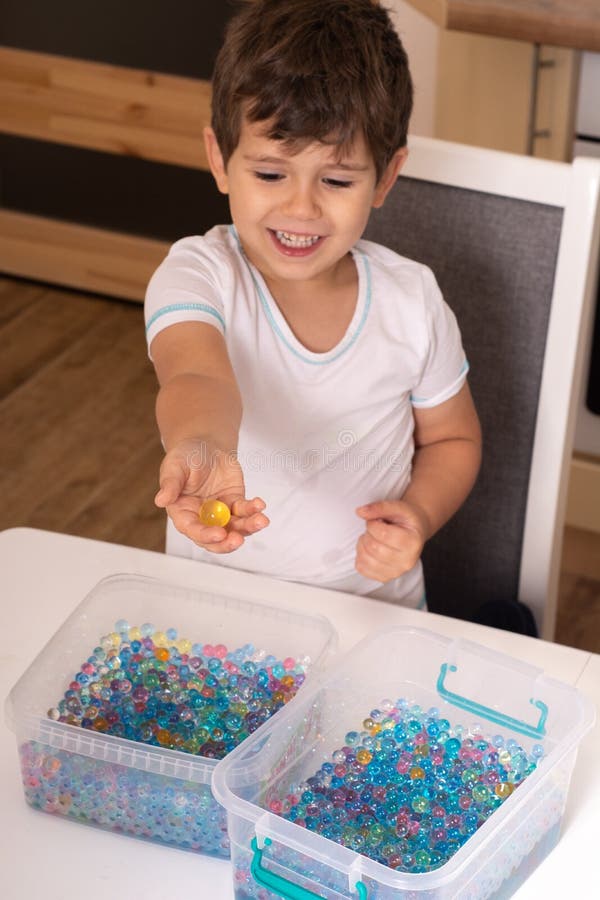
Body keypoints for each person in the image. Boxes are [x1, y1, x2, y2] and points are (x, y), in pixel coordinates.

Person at [144, 0, 482, 610]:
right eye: (271, 175)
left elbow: (454, 441)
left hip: (372, 616)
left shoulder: (413, 300)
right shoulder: (198, 273)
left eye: (336, 180)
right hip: (212, 614)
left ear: (385, 177)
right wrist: (200, 443)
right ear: (220, 159)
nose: (301, 210)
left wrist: (417, 516)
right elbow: (194, 371)